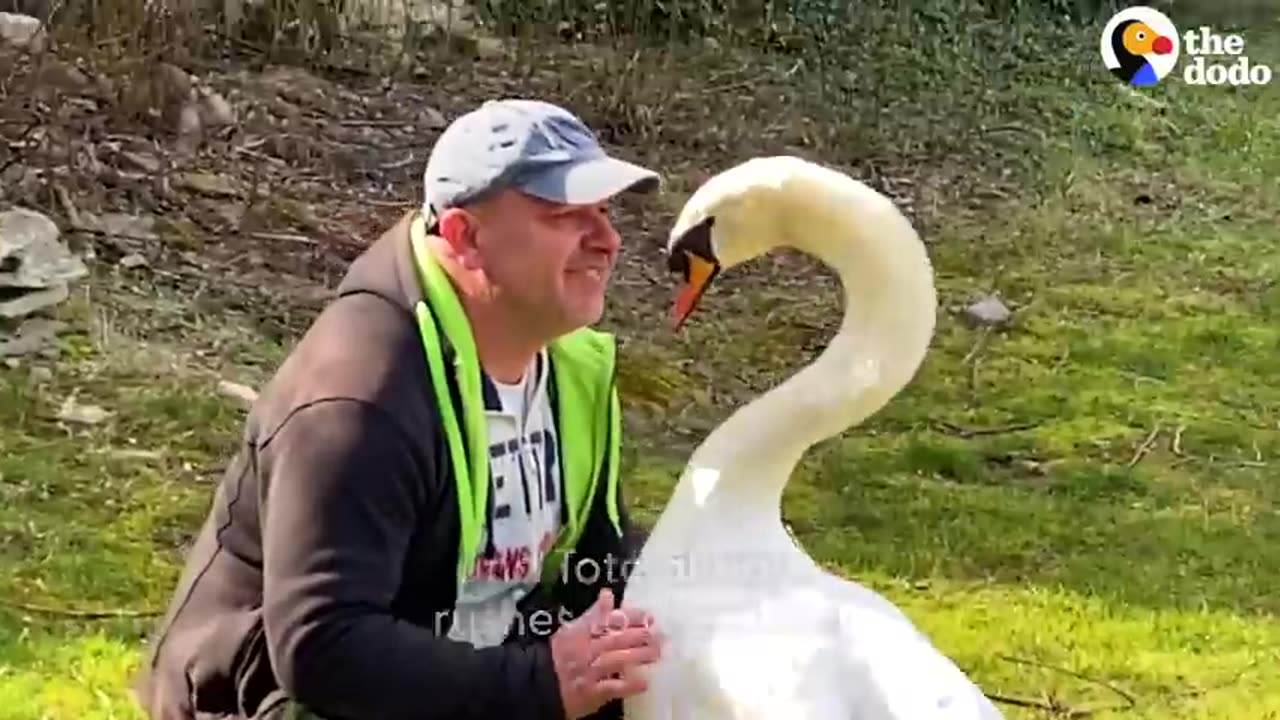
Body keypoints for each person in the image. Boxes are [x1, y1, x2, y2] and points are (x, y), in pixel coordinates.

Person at [133, 98, 665, 720]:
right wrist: (538, 683)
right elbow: (323, 646)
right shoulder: (358, 396)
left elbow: (592, 565)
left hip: (462, 663)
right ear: (466, 238)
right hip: (277, 696)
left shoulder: (573, 367)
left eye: (603, 212)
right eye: (564, 215)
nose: (607, 240)